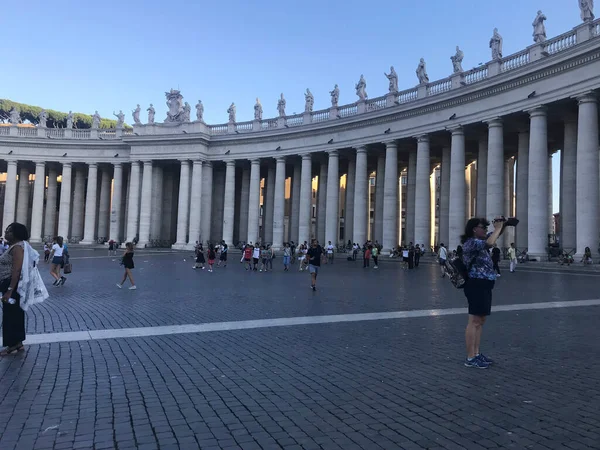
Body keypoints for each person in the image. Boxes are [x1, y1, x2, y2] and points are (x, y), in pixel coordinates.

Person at [461, 217, 504, 369]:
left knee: (480, 321)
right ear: (474, 229)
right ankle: (470, 357)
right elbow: (490, 242)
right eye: (483, 228)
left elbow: (491, 237)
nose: (485, 231)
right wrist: (497, 229)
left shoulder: (479, 242)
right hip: (476, 284)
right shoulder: (471, 242)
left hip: (484, 284)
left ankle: (476, 353)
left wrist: (502, 225)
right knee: (474, 321)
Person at [1, 223, 27, 355]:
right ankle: (18, 343)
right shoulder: (15, 246)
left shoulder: (17, 248)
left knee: (10, 315)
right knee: (15, 313)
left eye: (9, 231)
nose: (6, 233)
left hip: (12, 286)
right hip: (11, 285)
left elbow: (17, 269)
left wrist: (9, 290)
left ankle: (11, 345)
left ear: (16, 233)